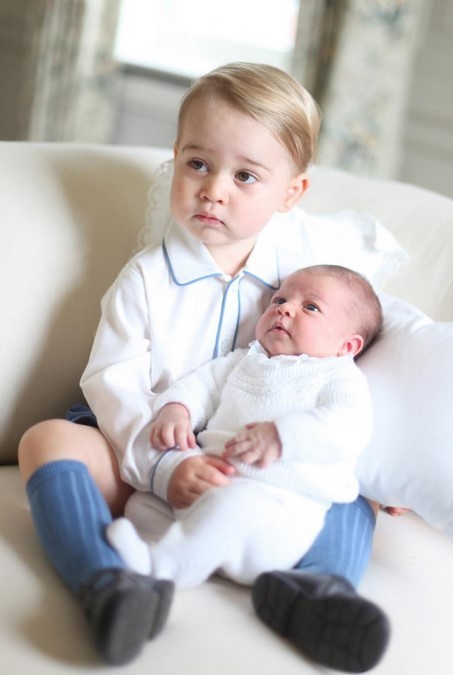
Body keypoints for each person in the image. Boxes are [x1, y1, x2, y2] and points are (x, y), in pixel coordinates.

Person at [18, 62, 390, 671]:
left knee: (355, 494)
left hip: (262, 466)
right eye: (198, 164)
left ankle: (318, 591)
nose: (214, 189)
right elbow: (112, 383)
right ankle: (109, 583)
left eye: (246, 175)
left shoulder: (305, 279)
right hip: (143, 450)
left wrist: (386, 463)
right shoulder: (146, 279)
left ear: (290, 193)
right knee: (48, 439)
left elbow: (358, 356)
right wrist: (167, 466)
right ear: (176, 158)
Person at [106, 264, 382, 595]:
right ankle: (160, 547)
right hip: (208, 485)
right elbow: (201, 385)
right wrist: (176, 409)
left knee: (233, 505)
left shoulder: (338, 377)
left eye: (311, 307)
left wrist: (282, 436)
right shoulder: (244, 360)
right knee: (144, 502)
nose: (285, 308)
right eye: (279, 299)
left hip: (272, 511)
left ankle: (163, 569)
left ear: (347, 346)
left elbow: (347, 427)